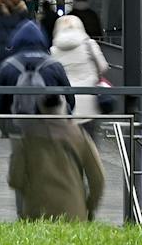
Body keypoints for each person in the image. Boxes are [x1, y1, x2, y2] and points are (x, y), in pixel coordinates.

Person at [7, 92, 106, 221]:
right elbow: (98, 178)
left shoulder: (27, 137)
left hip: (36, 213)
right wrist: (90, 207)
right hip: (74, 212)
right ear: (64, 107)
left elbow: (15, 179)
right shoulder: (79, 135)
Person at [0, 19, 73, 127]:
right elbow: (70, 98)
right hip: (49, 129)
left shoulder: (8, 66)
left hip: (19, 128)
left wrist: (6, 128)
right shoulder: (54, 65)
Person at [47, 13, 110, 126]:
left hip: (65, 105)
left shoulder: (53, 50)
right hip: (90, 103)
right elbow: (103, 67)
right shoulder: (89, 44)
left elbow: (52, 76)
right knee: (90, 138)